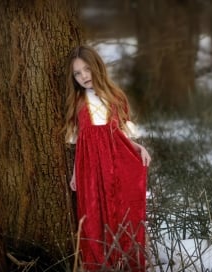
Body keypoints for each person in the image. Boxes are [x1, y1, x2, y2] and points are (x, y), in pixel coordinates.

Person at [63, 45, 151, 271]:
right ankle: (100, 263)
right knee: (93, 213)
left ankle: (127, 258)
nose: (83, 77)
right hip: (90, 167)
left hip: (117, 162)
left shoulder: (115, 96)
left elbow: (119, 133)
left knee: (124, 209)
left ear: (97, 68)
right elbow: (79, 142)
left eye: (87, 70)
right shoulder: (77, 102)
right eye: (77, 73)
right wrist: (74, 173)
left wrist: (138, 147)